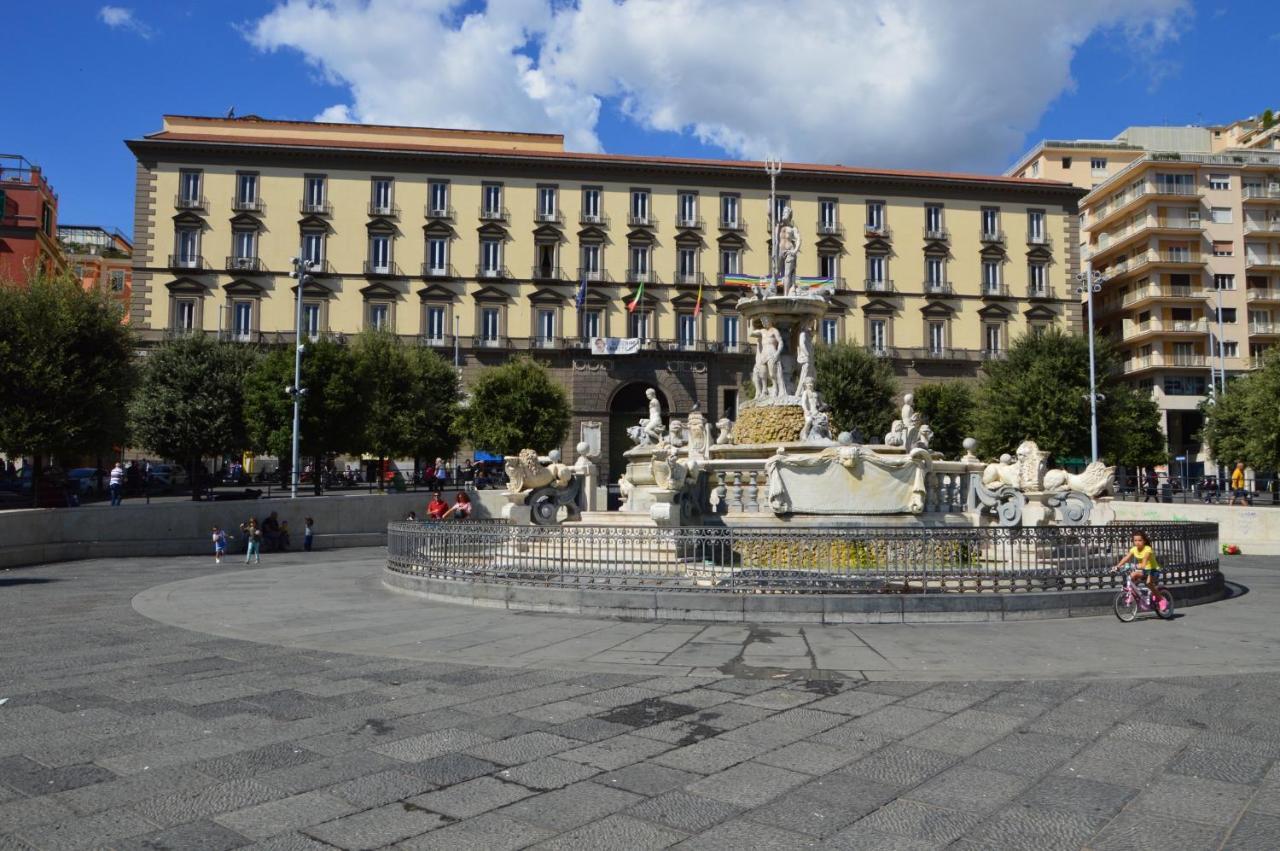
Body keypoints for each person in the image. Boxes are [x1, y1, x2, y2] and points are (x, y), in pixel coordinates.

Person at [1111, 530, 1166, 612]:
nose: (1137, 542)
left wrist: (1135, 565)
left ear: (1144, 541)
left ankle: (1161, 600)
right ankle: (1133, 594)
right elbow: (1126, 558)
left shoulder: (1148, 549)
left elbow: (1144, 561)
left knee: (1148, 583)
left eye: (1140, 540)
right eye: (1135, 540)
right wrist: (1117, 566)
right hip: (1144, 571)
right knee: (1132, 575)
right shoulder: (1134, 549)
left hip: (1153, 570)